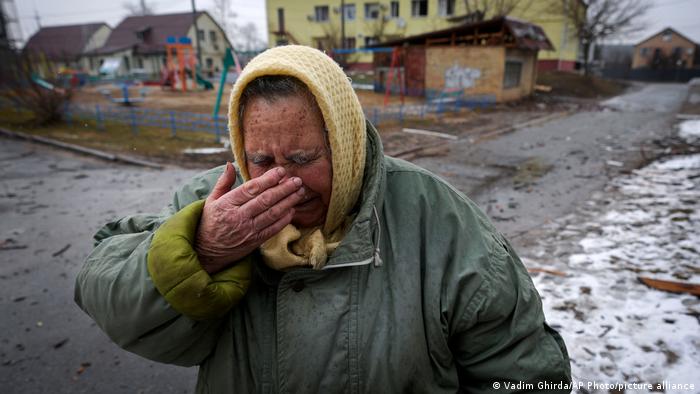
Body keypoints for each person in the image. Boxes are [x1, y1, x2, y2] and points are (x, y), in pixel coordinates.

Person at [75, 45, 570, 393]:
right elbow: (106, 290)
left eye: (304, 157)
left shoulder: (438, 220)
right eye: (262, 161)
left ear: (347, 146)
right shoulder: (214, 201)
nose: (282, 183)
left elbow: (526, 375)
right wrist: (200, 251)